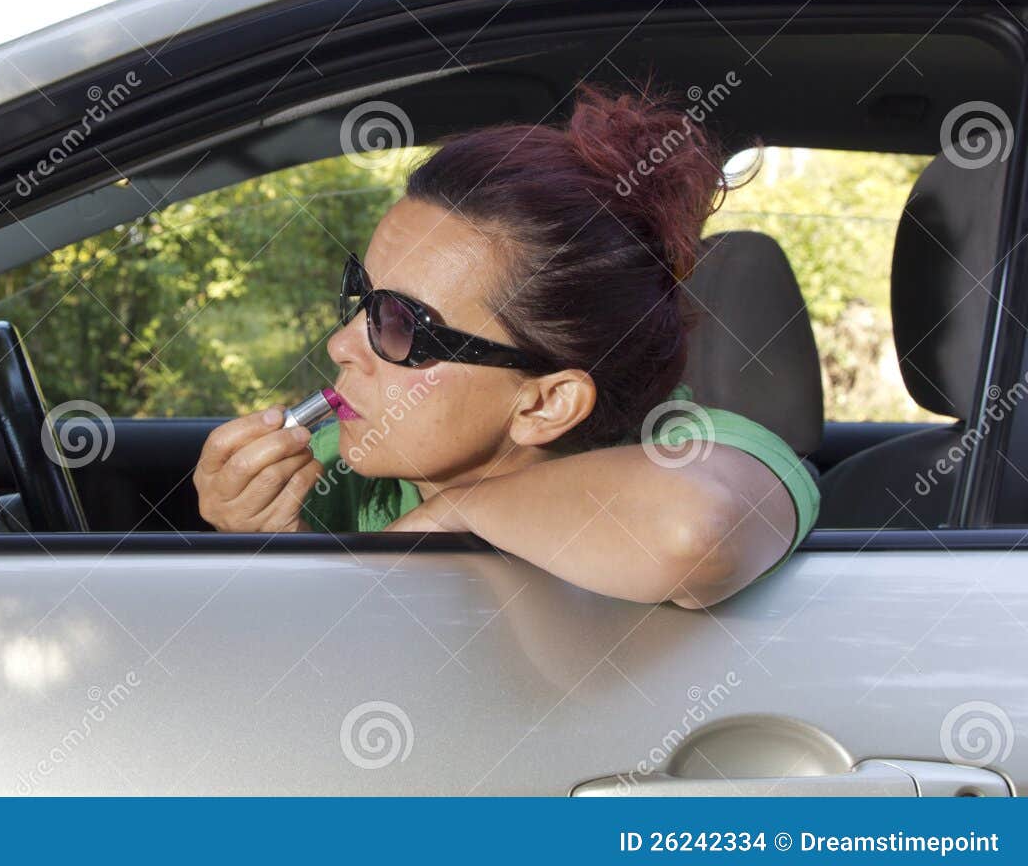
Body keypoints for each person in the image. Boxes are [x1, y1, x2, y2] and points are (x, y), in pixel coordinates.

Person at [193, 84, 818, 609]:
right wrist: (270, 540)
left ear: (546, 403)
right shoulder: (331, 467)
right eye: (362, 295)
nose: (338, 345)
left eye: (400, 325)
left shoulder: (700, 450)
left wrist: (457, 512)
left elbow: (691, 532)